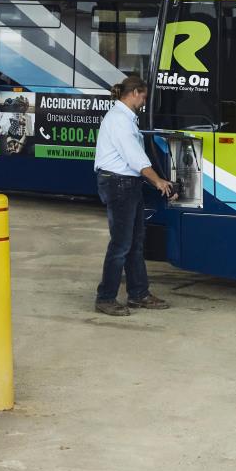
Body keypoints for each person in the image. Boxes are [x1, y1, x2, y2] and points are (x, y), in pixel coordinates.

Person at [92, 74, 174, 316]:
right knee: (121, 245)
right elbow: (134, 158)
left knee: (135, 244)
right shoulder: (120, 120)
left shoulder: (126, 118)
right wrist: (157, 181)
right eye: (144, 97)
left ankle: (138, 294)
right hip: (119, 185)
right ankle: (105, 298)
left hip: (127, 184)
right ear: (135, 92)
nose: (144, 102)